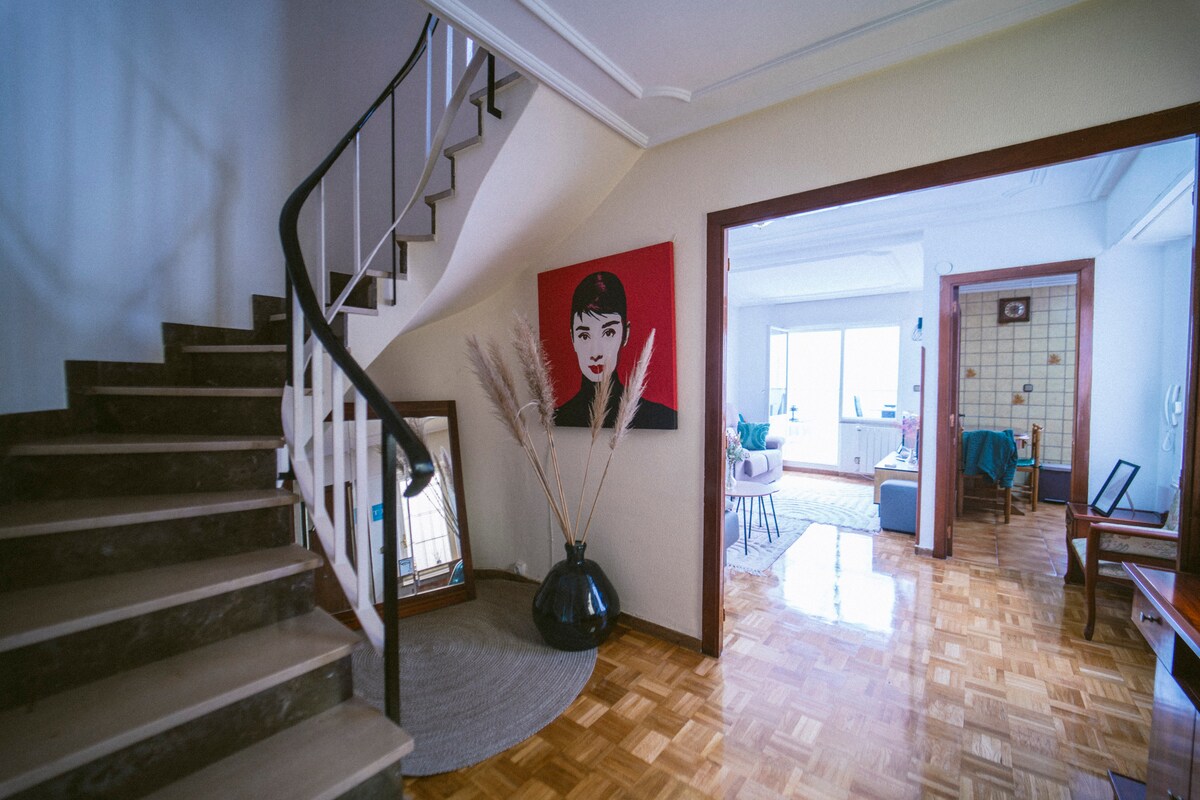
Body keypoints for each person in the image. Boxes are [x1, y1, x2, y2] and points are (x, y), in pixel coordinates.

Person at [554, 271, 677, 429]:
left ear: (625, 334)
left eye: (608, 333)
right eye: (584, 336)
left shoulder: (659, 416)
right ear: (573, 338)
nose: (596, 353)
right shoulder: (557, 418)